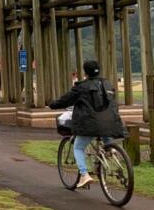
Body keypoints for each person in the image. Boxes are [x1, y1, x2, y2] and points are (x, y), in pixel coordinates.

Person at [49, 60, 125, 188]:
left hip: (91, 124)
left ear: (85, 72)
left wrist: (53, 104)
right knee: (106, 136)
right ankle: (110, 150)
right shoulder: (107, 84)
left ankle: (84, 175)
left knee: (78, 147)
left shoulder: (81, 87)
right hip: (110, 122)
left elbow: (66, 100)